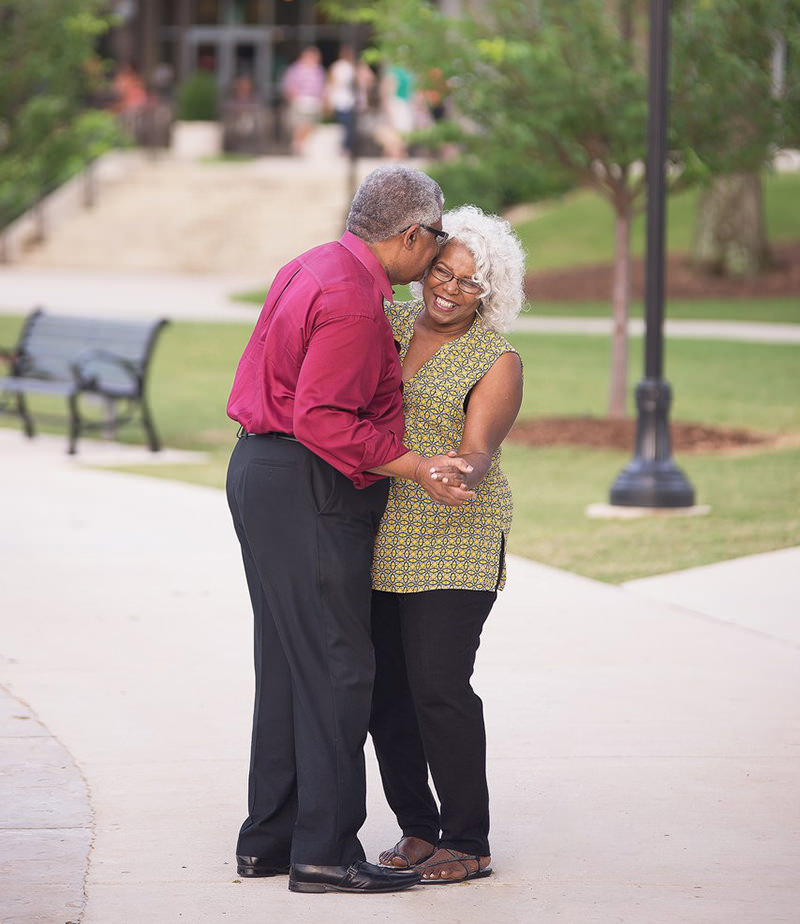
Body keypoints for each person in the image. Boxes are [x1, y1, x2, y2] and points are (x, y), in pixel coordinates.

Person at [225, 166, 476, 895]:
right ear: (410, 234)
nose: (435, 260)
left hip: (261, 472)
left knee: (287, 665)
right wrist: (416, 466)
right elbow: (324, 419)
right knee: (340, 666)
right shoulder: (356, 303)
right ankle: (325, 853)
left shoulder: (313, 265)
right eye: (433, 243)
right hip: (306, 483)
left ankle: (268, 841)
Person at [369, 205, 526, 884]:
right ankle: (418, 827)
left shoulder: (496, 358)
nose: (451, 289)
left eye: (471, 284)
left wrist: (461, 470)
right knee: (383, 693)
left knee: (439, 686)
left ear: (490, 297)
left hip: (455, 534)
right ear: (424, 263)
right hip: (379, 532)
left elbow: (480, 452)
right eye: (445, 270)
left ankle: (468, 837)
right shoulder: (389, 324)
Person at [280, 46, 326, 155]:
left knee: (310, 125)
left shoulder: (318, 70)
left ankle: (301, 145)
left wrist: (323, 99)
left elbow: (322, 86)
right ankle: (297, 147)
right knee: (299, 125)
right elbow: (289, 85)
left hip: (314, 102)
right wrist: (293, 97)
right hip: (300, 101)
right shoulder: (295, 69)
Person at [327, 45, 357, 155]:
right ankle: (344, 148)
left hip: (349, 101)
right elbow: (333, 84)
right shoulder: (338, 67)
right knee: (345, 126)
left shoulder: (352, 66)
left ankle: (346, 147)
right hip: (340, 101)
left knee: (349, 126)